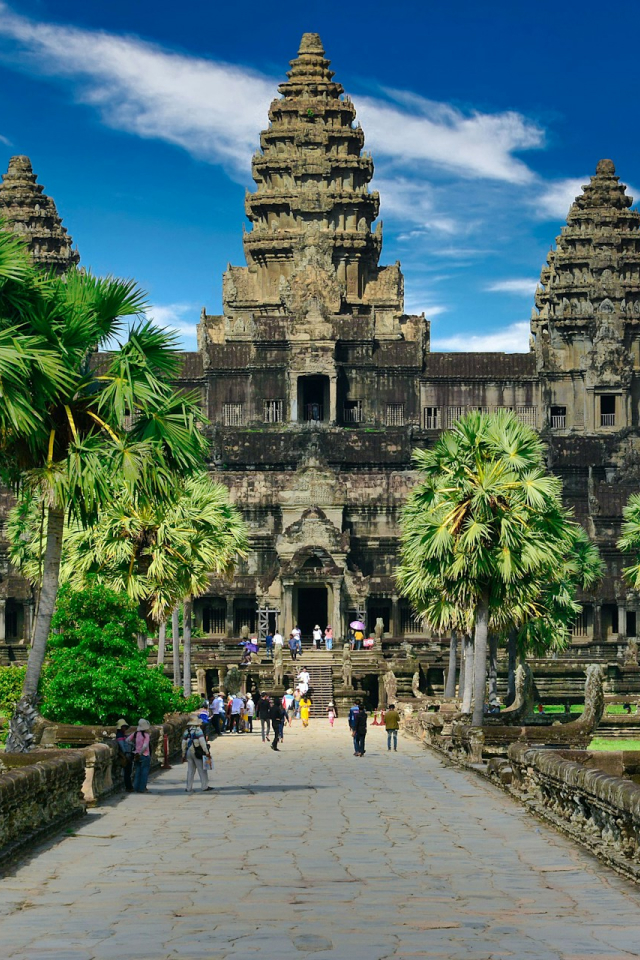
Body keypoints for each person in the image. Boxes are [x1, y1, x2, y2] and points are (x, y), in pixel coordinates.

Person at [182, 716, 213, 793]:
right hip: (197, 752)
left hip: (189, 751)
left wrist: (183, 754)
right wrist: (207, 752)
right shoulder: (198, 731)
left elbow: (183, 743)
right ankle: (204, 786)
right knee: (202, 769)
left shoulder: (187, 731)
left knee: (190, 770)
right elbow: (202, 742)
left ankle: (188, 787)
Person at [127, 718, 152, 793]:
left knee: (137, 771)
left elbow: (127, 740)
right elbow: (145, 746)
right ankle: (142, 788)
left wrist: (134, 746)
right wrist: (141, 752)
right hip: (144, 754)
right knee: (144, 772)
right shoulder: (146, 735)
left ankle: (136, 787)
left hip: (136, 754)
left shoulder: (135, 734)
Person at [115, 719, 133, 792]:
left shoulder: (123, 735)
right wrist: (126, 754)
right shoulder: (119, 735)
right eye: (123, 726)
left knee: (128, 772)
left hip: (128, 753)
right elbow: (122, 745)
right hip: (126, 755)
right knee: (127, 772)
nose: (125, 728)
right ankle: (128, 787)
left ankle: (129, 786)